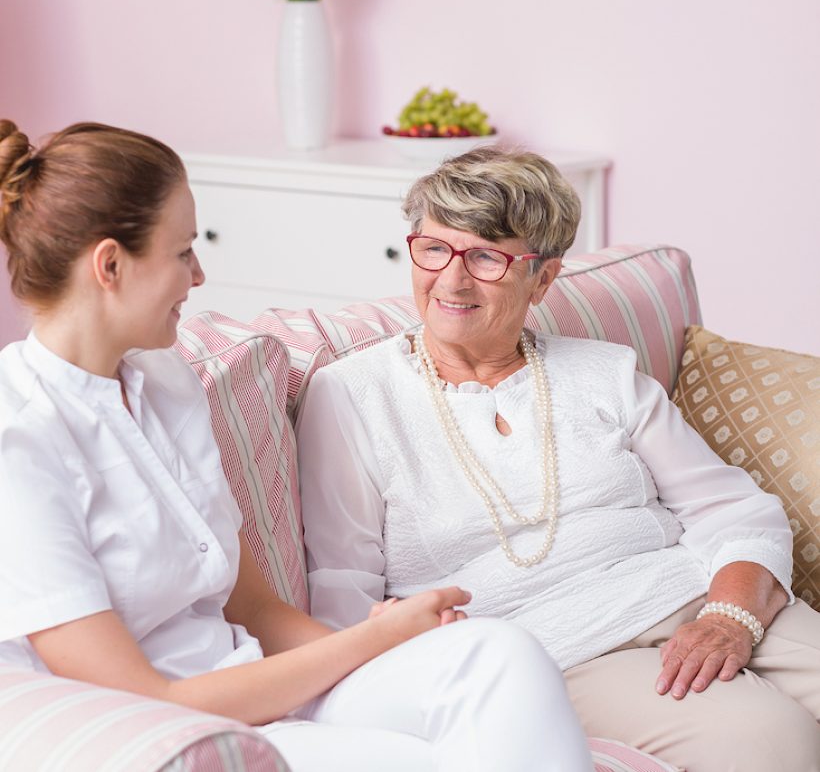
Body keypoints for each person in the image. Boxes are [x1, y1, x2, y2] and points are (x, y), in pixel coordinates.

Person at [0, 121, 594, 772]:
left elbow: (255, 606)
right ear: (110, 265)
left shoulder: (163, 382)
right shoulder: (20, 442)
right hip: (176, 735)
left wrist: (386, 646)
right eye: (182, 252)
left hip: (261, 687)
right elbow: (149, 699)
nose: (198, 275)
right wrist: (373, 638)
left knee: (501, 656)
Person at [296, 145, 820, 772]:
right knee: (769, 739)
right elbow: (344, 591)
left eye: (488, 257)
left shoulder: (605, 373)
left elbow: (735, 511)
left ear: (542, 278)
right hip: (555, 649)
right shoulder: (353, 394)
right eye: (434, 248)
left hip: (696, 595)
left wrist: (731, 617)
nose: (452, 280)